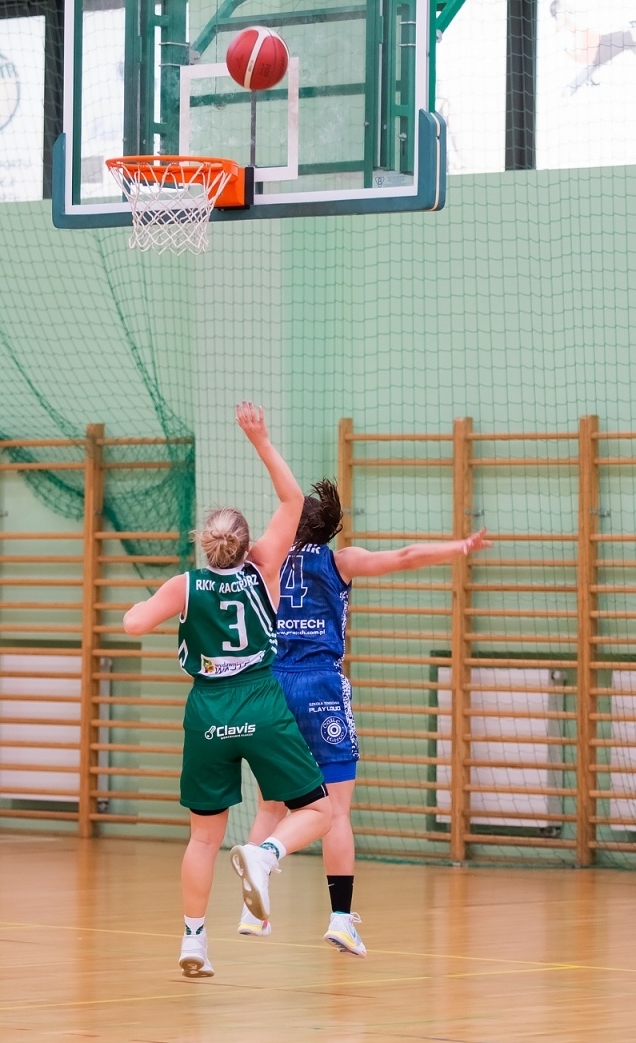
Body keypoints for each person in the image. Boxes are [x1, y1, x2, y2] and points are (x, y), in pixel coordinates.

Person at [122, 403, 334, 978]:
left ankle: (193, 942)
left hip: (207, 710)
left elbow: (135, 626)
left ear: (204, 544)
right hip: (262, 702)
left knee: (202, 839)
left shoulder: (184, 586)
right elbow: (293, 502)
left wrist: (139, 608)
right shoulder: (264, 567)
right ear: (244, 544)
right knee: (317, 810)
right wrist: (260, 439)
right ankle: (265, 856)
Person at [239, 480, 490, 955]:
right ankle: (340, 919)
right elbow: (404, 556)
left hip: (272, 686)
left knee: (271, 806)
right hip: (320, 685)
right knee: (335, 812)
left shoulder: (264, 561)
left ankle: (252, 912)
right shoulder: (339, 561)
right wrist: (460, 545)